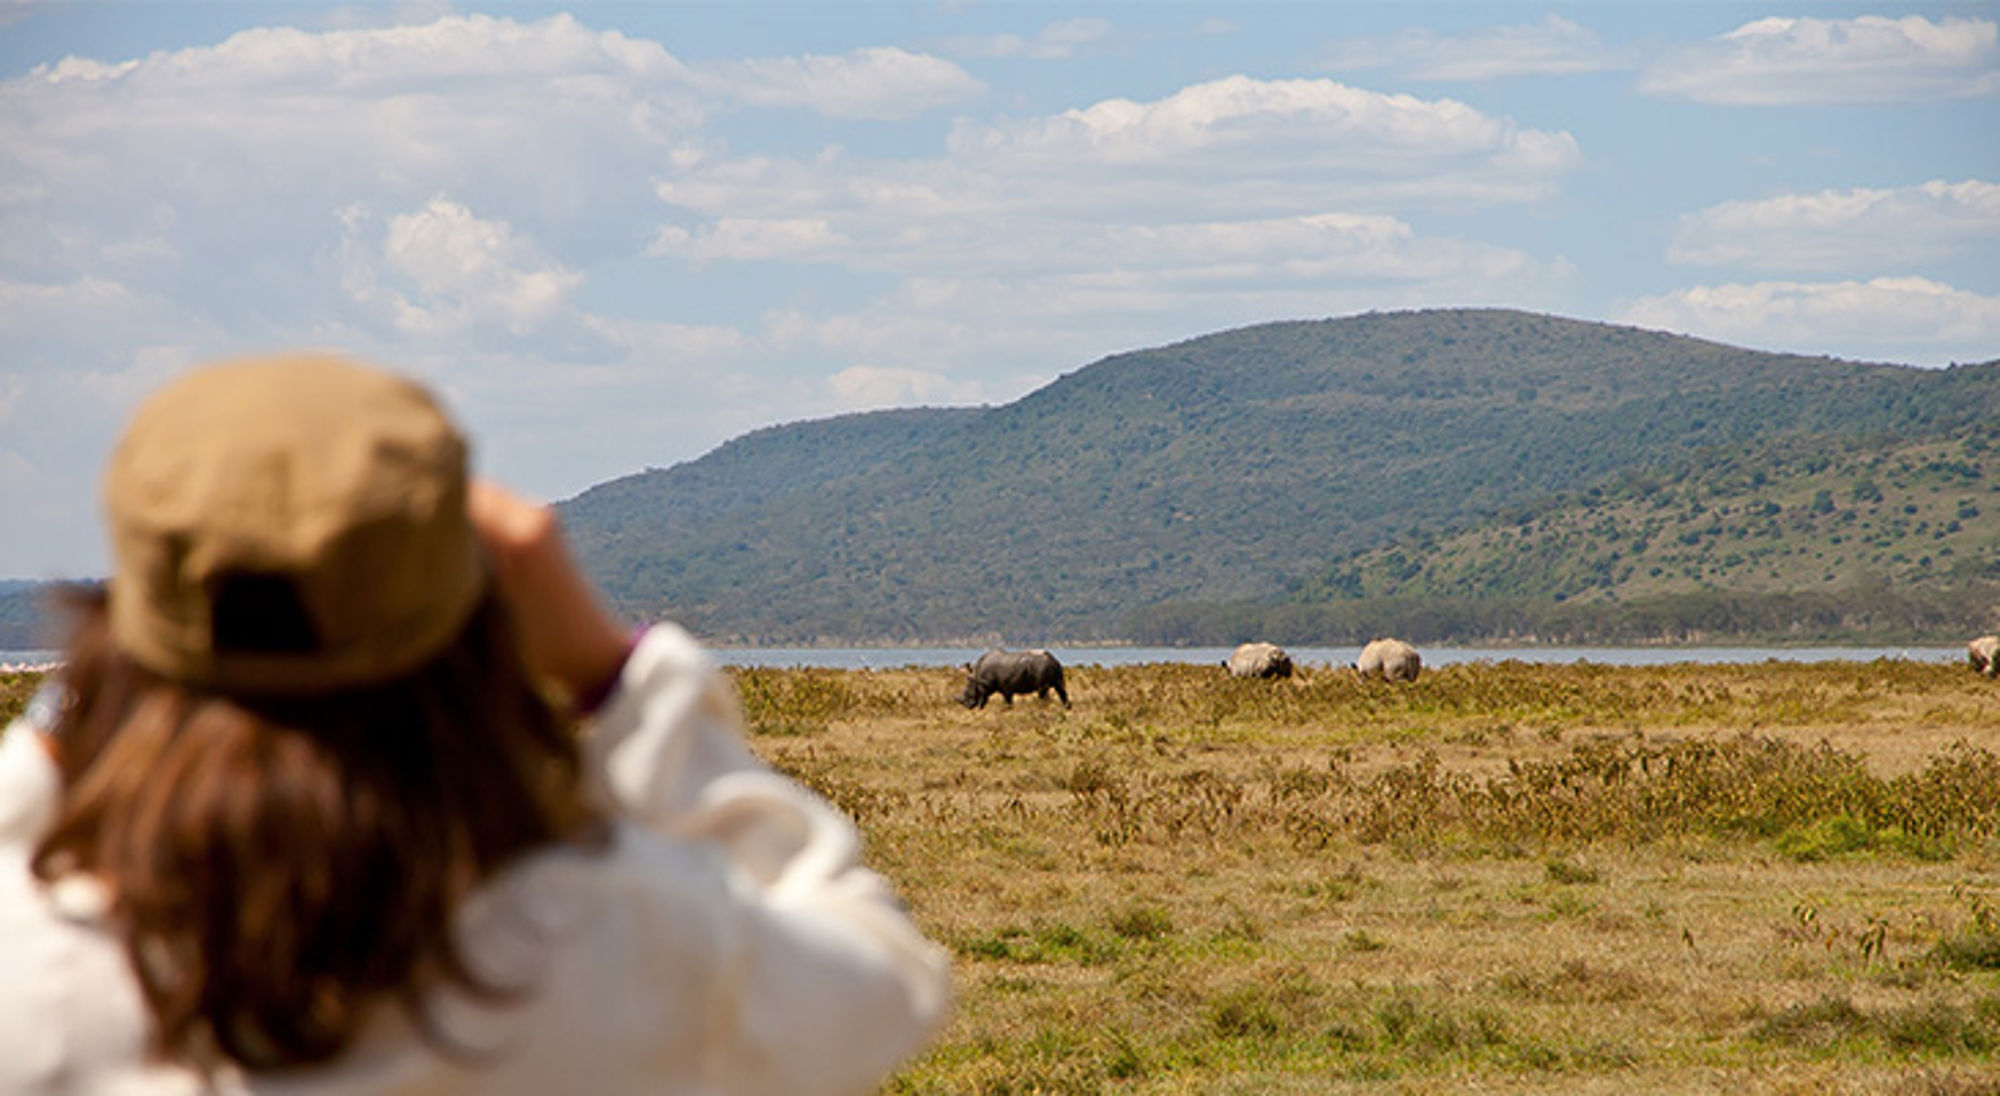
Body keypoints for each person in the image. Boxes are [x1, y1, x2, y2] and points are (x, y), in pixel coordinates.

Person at [0, 353, 950, 1094]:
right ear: (480, 610)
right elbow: (882, 978)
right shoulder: (613, 944)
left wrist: (78, 703)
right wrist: (619, 677)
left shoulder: (30, 962)